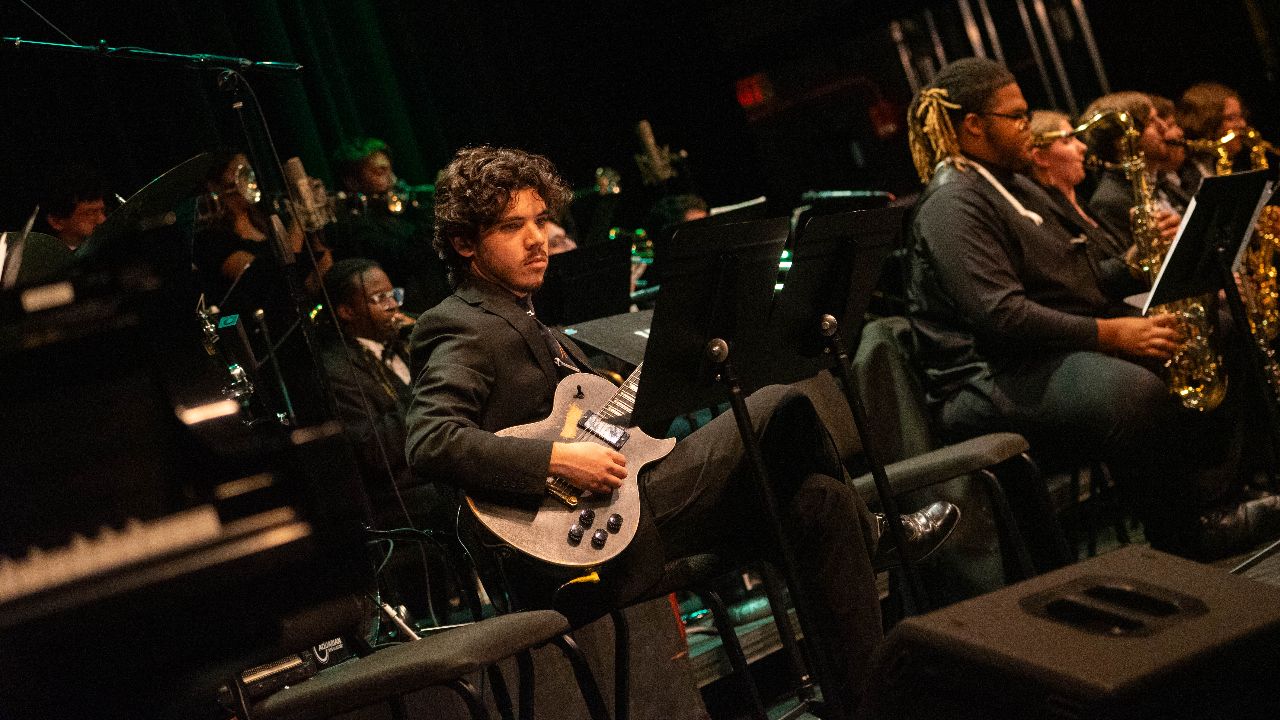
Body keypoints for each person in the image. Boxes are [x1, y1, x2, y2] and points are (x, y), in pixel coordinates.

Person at [404, 145, 958, 718]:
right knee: (780, 402)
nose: (537, 238)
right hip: (575, 542)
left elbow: (622, 426)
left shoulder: (532, 321)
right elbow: (430, 441)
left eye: (541, 220)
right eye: (510, 227)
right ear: (465, 243)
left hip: (631, 509)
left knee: (819, 505)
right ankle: (879, 532)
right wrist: (558, 461)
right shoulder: (460, 324)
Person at [904, 57, 1278, 559]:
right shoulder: (953, 203)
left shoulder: (1011, 186)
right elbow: (1002, 315)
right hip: (987, 376)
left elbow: (1076, 281)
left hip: (1040, 352)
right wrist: (1112, 334)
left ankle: (1224, 495)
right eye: (1016, 118)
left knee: (1213, 332)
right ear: (972, 125)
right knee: (1135, 392)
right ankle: (1185, 534)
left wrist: (1132, 266)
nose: (1027, 129)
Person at [1027, 110, 1142, 300]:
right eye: (1067, 140)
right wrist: (1135, 255)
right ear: (1040, 157)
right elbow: (1083, 280)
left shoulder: (1079, 202)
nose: (1082, 147)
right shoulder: (1044, 214)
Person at [328, 137, 450, 315]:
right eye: (380, 172)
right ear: (352, 182)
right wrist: (435, 204)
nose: (393, 180)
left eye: (390, 170)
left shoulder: (403, 216)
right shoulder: (353, 228)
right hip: (415, 315)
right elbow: (407, 256)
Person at [1079, 92, 1186, 242]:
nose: (1163, 126)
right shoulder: (1110, 201)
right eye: (1150, 122)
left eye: (1158, 118)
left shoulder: (1161, 179)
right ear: (1123, 141)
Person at [1177, 81, 1249, 183]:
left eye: (1241, 116)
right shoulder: (1182, 174)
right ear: (1206, 122)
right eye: (1231, 118)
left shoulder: (1230, 166)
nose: (1243, 124)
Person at [39, 167, 107, 252]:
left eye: (102, 211)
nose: (102, 220)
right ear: (56, 221)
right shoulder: (45, 261)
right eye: (90, 213)